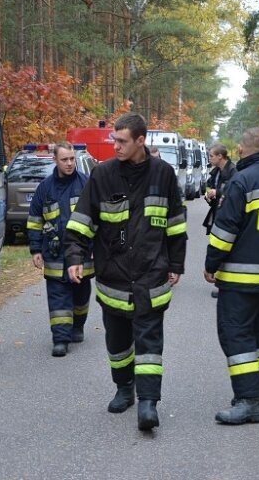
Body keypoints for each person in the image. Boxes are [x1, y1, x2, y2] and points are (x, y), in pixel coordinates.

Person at [64, 112, 187, 431]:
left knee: (149, 343)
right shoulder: (103, 175)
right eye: (114, 140)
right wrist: (75, 255)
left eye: (121, 141)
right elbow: (82, 221)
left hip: (151, 275)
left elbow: (175, 223)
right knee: (118, 344)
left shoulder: (163, 174)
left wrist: (176, 263)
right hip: (113, 277)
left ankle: (148, 403)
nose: (115, 146)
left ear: (140, 141)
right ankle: (124, 388)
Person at [203, 127, 259, 424]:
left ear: (241, 150)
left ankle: (249, 400)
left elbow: (225, 231)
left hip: (240, 277)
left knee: (236, 334)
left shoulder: (241, 182)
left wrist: (211, 264)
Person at [27, 141, 93, 357]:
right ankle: (60, 339)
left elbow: (98, 218)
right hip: (54, 252)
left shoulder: (86, 184)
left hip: (83, 252)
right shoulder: (44, 189)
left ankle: (78, 325)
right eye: (64, 159)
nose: (69, 163)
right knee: (57, 296)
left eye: (72, 159)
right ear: (55, 160)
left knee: (81, 295)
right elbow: (35, 221)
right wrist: (36, 249)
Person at [202, 143, 238, 298]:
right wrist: (208, 193)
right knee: (216, 244)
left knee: (225, 247)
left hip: (227, 215)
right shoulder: (216, 171)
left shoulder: (233, 171)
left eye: (211, 155)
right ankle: (220, 281)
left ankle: (225, 283)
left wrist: (218, 192)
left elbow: (234, 191)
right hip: (217, 212)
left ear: (220, 156)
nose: (209, 158)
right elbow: (210, 187)